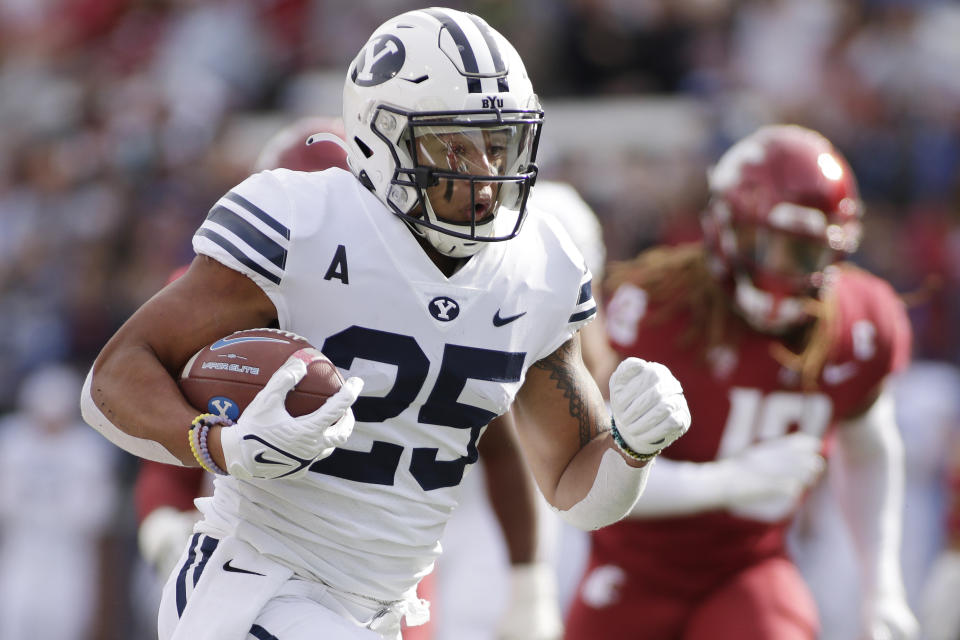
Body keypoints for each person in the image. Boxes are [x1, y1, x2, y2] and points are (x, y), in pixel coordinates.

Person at [80, 8, 690, 640]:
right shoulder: (303, 223)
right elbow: (111, 381)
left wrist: (632, 449)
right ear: (379, 139)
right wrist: (217, 445)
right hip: (255, 589)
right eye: (453, 145)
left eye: (499, 143)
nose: (484, 176)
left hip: (385, 609)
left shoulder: (539, 265)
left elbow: (576, 492)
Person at [564, 124, 918, 640]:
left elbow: (869, 445)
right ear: (724, 227)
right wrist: (731, 481)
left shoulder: (860, 323)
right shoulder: (655, 306)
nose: (780, 271)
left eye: (802, 253)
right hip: (635, 566)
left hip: (747, 570)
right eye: (762, 243)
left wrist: (881, 583)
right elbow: (589, 472)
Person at [0, 364, 120, 640]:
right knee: (15, 617)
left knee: (65, 621)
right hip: (23, 546)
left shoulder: (88, 449)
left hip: (68, 550)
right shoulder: (12, 441)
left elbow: (100, 510)